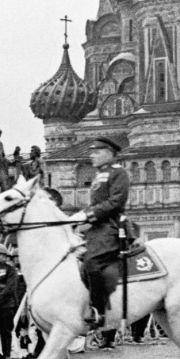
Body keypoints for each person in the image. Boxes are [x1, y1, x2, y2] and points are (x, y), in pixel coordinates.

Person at [68, 136, 130, 330]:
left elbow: (115, 202)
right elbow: (96, 202)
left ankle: (98, 310)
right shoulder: (99, 174)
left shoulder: (119, 173)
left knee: (91, 261)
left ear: (110, 153)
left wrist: (88, 215)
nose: (92, 155)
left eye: (96, 152)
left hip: (110, 227)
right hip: (96, 227)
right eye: (91, 152)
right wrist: (79, 216)